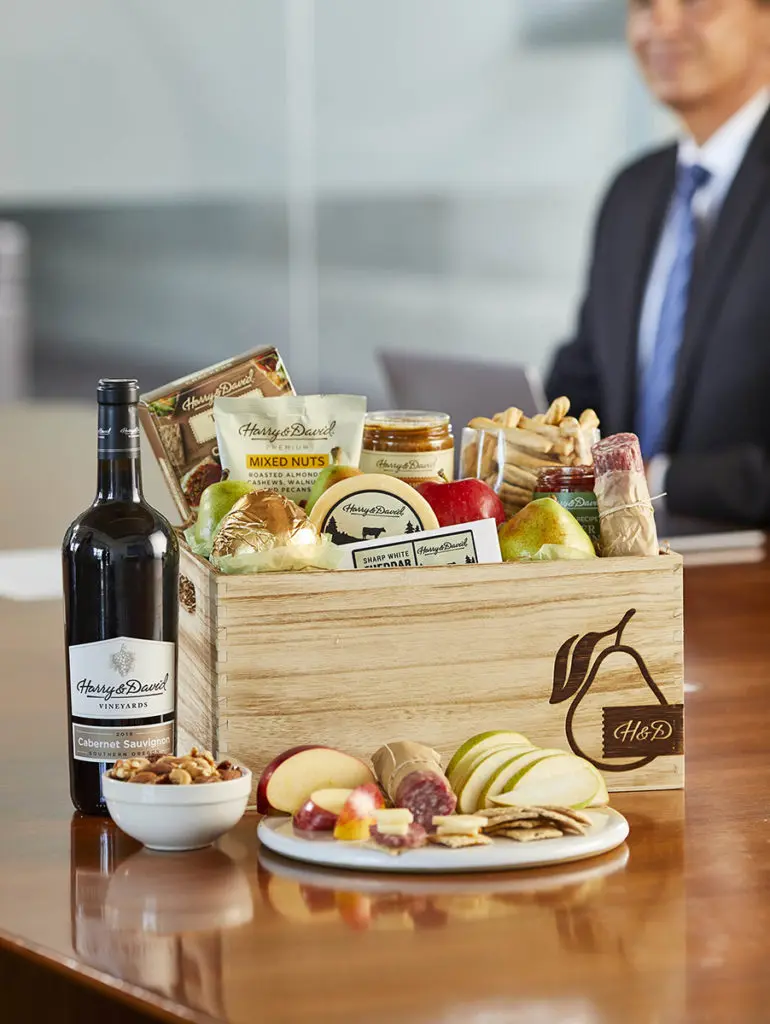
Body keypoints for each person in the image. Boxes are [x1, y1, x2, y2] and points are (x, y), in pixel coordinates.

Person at [547, 0, 770, 526]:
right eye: (644, 5)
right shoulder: (632, 193)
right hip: (626, 572)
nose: (661, 25)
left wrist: (658, 478)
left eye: (696, 3)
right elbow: (585, 375)